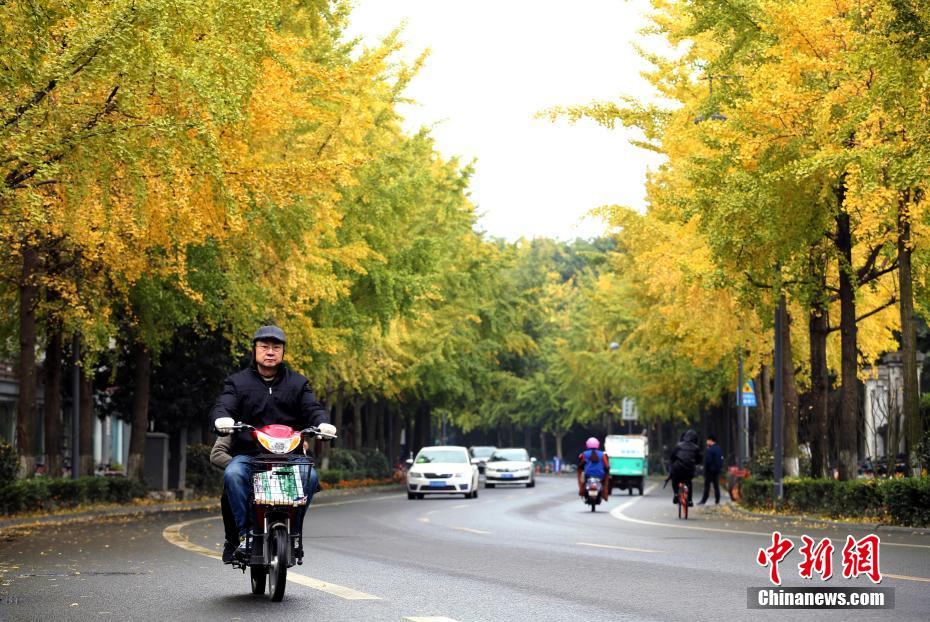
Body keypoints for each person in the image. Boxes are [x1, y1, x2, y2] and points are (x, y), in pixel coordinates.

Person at [212, 325, 336, 563]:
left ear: (283, 352)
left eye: (276, 347)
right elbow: (224, 404)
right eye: (264, 347)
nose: (270, 352)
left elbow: (312, 409)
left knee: (310, 478)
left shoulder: (298, 384)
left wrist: (322, 424)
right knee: (233, 474)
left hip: (291, 456)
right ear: (255, 350)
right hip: (250, 455)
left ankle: (295, 533)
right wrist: (222, 418)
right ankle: (246, 534)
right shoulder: (237, 382)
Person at [668, 429, 701, 507]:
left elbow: (672, 457)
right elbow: (699, 460)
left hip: (678, 469)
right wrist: (694, 463)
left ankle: (676, 494)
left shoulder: (679, 445)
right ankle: (689, 500)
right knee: (689, 482)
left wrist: (672, 465)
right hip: (689, 470)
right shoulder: (696, 448)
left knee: (674, 479)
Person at [577, 437, 609, 501]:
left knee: (582, 480)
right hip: (600, 475)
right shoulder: (602, 454)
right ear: (598, 444)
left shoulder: (584, 454)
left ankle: (581, 491)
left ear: (587, 445)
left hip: (588, 475)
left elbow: (581, 463)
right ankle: (605, 494)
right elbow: (606, 465)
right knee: (606, 481)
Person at [698, 434, 723, 505]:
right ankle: (717, 501)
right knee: (716, 486)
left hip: (709, 471)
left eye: (707, 440)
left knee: (707, 487)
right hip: (716, 471)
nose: (706, 442)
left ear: (710, 441)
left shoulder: (710, 450)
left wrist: (705, 471)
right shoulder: (718, 448)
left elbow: (708, 461)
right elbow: (721, 460)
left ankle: (703, 501)